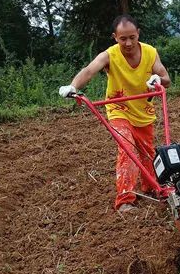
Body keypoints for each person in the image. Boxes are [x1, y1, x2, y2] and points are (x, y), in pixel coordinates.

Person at [59, 15, 171, 212]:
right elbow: (89, 70)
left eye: (132, 37)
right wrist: (73, 86)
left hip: (143, 111)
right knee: (126, 148)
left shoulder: (150, 52)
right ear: (115, 37)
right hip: (118, 109)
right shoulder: (110, 55)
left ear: (138, 34)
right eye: (122, 39)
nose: (128, 43)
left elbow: (165, 77)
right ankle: (125, 199)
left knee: (147, 154)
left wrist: (158, 79)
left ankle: (152, 188)